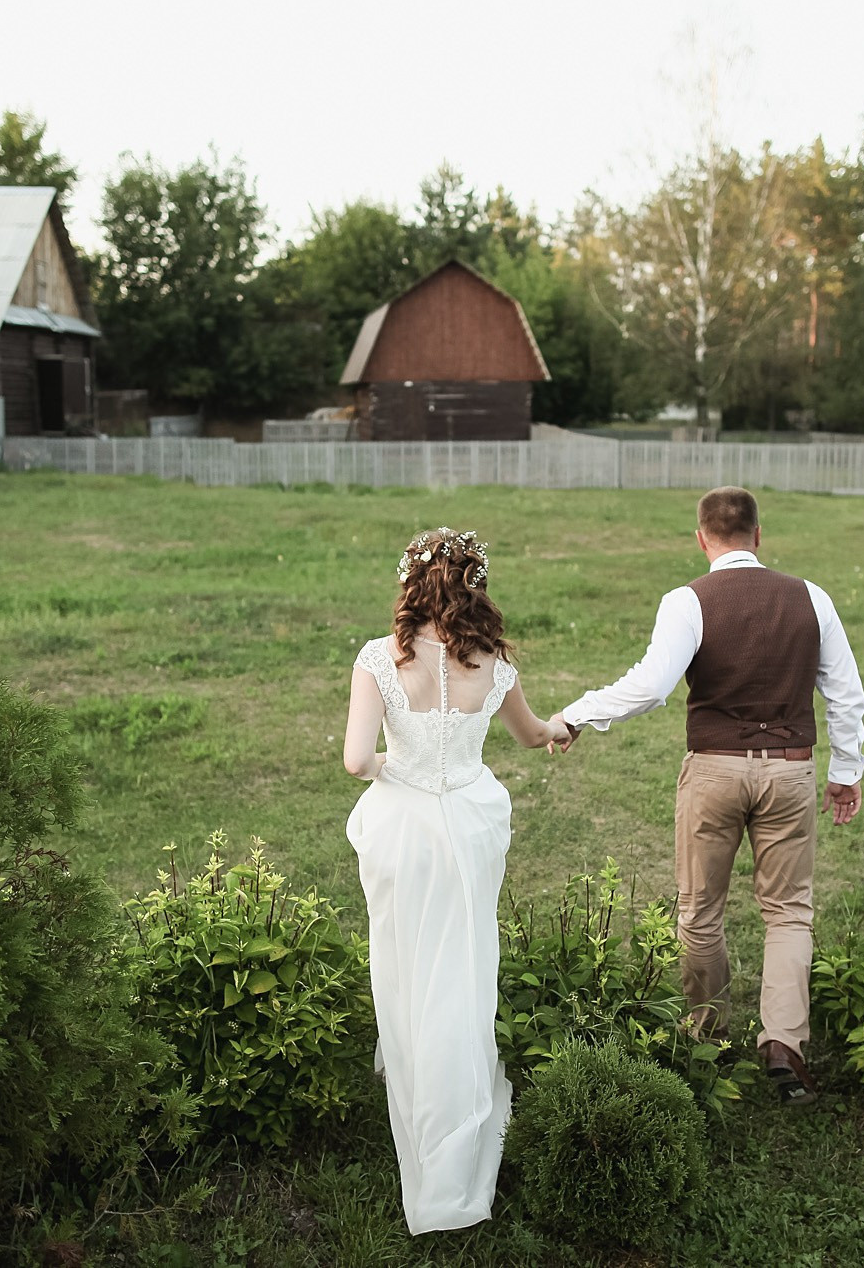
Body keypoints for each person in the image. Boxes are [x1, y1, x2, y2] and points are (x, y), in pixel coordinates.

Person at [548, 486, 864, 1104]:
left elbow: (651, 685)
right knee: (789, 910)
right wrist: (845, 770)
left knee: (700, 911)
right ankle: (784, 1044)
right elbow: (845, 691)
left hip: (714, 774)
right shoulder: (811, 597)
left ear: (702, 538)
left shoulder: (688, 600)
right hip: (791, 771)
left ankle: (709, 1039)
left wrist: (579, 713)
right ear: (758, 534)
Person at [342, 526, 566, 1235]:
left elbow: (355, 760)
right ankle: (456, 1112)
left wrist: (399, 768)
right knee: (464, 964)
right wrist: (566, 726)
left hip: (402, 831)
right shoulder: (493, 662)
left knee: (406, 960)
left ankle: (409, 1069)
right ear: (476, 587)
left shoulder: (380, 659)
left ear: (411, 585)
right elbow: (533, 735)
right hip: (468, 827)